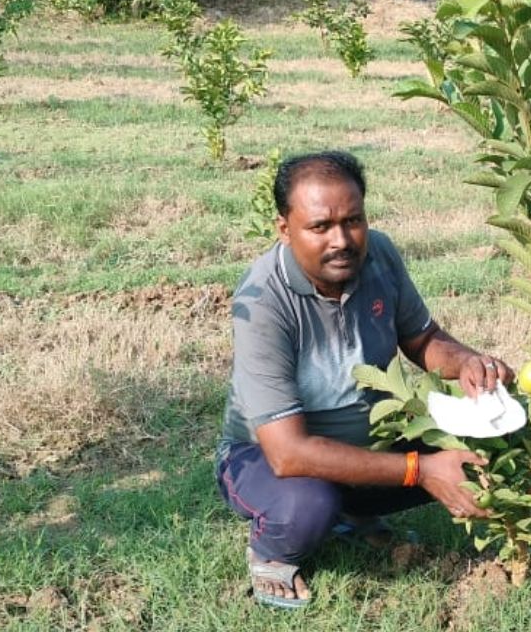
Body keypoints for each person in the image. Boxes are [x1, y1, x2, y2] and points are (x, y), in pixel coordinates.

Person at [215, 150, 515, 609]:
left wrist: (468, 363)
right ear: (284, 228)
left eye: (353, 220)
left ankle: (355, 509)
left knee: (502, 432)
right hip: (266, 458)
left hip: (373, 438)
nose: (342, 240)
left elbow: (422, 338)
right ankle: (272, 552)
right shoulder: (263, 301)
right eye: (320, 227)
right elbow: (287, 452)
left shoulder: (380, 256)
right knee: (306, 506)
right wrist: (422, 469)